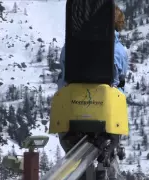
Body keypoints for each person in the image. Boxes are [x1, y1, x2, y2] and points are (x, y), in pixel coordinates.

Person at [56, 4, 128, 180]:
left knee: (75, 164)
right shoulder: (119, 51)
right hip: (106, 118)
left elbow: (63, 77)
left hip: (70, 114)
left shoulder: (70, 48)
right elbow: (120, 81)